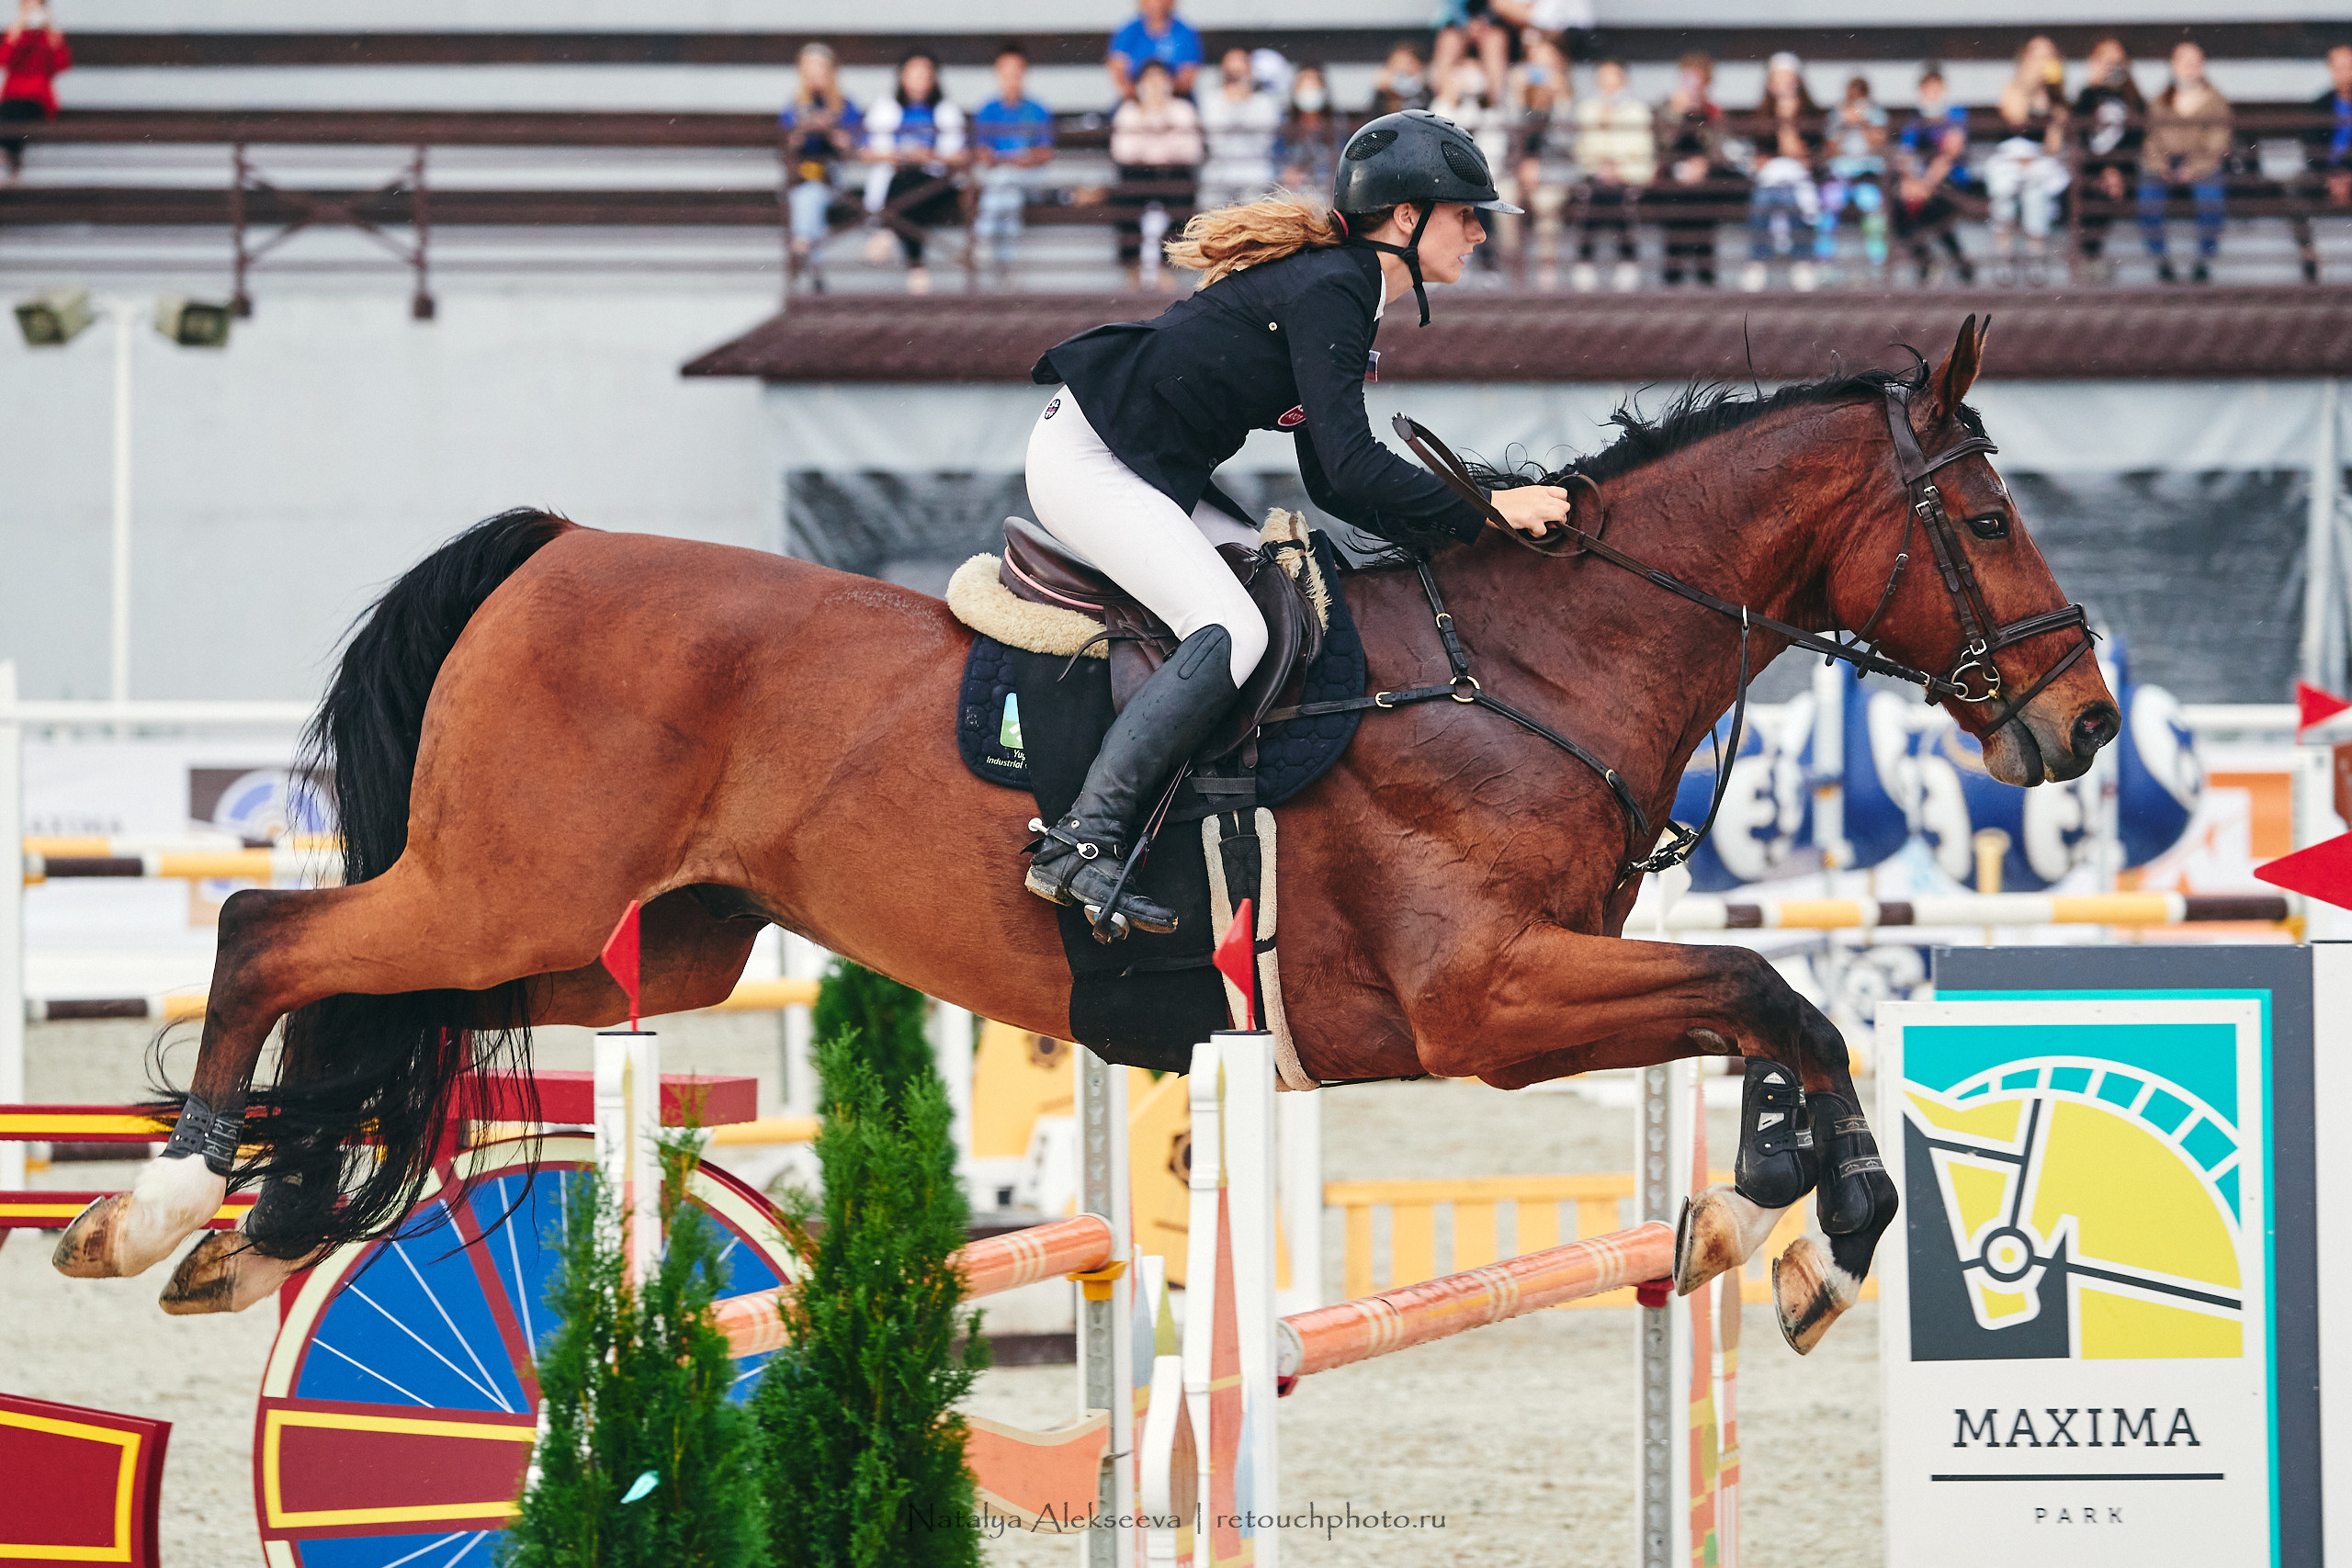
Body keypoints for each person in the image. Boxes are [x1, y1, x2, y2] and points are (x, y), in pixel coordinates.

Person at [1020, 111, 1557, 935]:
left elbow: (1330, 483)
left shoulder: (1345, 287)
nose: (1480, 233)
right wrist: (1485, 511)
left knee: (1283, 598)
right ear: (1406, 219)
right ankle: (1081, 841)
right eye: (1465, 214)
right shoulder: (1335, 288)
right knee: (1232, 629)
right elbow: (1348, 467)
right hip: (1090, 459)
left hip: (1136, 460)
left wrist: (1461, 538)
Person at [862, 51, 966, 295]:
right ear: (902, 77)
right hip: (900, 180)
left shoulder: (945, 109)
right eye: (914, 73)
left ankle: (889, 231)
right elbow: (867, 152)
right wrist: (898, 155)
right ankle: (917, 266)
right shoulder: (886, 106)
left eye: (925, 74)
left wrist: (928, 156)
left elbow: (960, 154)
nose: (920, 79)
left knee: (912, 183)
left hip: (936, 183)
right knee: (908, 182)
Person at [2138, 39, 2231, 284]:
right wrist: (2161, 166)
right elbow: (2152, 139)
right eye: (2184, 61)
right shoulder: (2160, 101)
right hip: (2164, 165)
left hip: (2202, 163)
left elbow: (2218, 139)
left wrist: (2194, 167)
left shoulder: (2215, 100)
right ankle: (2162, 261)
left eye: (2195, 62)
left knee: (2211, 203)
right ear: (2173, 65)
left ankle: (2204, 260)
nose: (2190, 67)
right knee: (2148, 203)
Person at [1984, 35, 2072, 281]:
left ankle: (2036, 261)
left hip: (2038, 160)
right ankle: (2003, 259)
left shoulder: (2057, 98)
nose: (2042, 61)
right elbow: (2016, 117)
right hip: (2009, 157)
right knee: (2003, 195)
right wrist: (2030, 81)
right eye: (2037, 54)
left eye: (2048, 55)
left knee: (2036, 195)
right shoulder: (2012, 87)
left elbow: (2053, 145)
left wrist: (2056, 113)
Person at [1109, 60, 1203, 288]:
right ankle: (1132, 268)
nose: (1155, 85)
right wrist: (1153, 125)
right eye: (1149, 80)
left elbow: (1191, 151)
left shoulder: (1183, 110)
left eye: (1160, 79)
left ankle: (1168, 266)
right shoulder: (1128, 111)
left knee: (1182, 201)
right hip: (1138, 174)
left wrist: (1150, 134)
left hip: (1173, 175)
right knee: (1124, 203)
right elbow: (1122, 152)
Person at [972, 41, 1055, 275]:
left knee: (1006, 179)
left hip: (1028, 177)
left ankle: (983, 238)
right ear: (997, 74)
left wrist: (1012, 162)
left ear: (1024, 73)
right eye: (1005, 72)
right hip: (1001, 179)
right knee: (1008, 191)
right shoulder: (987, 109)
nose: (1011, 78)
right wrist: (1011, 162)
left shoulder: (1037, 109)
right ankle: (1007, 265)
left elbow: (1044, 153)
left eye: (1016, 72)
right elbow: (982, 152)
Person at [1742, 53, 1824, 291]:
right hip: (1769, 179)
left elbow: (1805, 156)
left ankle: (1802, 261)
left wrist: (1787, 122)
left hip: (1801, 178)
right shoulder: (1761, 115)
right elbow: (1758, 155)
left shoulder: (1811, 114)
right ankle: (1757, 262)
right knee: (1764, 199)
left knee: (1790, 198)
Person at [778, 43, 862, 270]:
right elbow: (787, 144)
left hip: (834, 176)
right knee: (808, 195)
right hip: (801, 176)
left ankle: (806, 251)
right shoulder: (794, 106)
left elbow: (853, 146)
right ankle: (813, 263)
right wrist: (803, 130)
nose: (816, 75)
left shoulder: (845, 106)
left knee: (810, 196)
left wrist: (831, 130)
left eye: (821, 68)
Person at [1570, 57, 1651, 290]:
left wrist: (1618, 167)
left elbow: (1641, 149)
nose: (1608, 85)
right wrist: (1602, 164)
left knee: (1613, 195)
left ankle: (1593, 260)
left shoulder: (1637, 111)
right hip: (1595, 174)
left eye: (1613, 79)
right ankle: (1620, 260)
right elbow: (1583, 149)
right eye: (1603, 79)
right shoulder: (1587, 110)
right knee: (1599, 194)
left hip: (1627, 175)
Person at [1892, 64, 1974, 286]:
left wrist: (1925, 184)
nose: (1931, 96)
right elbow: (1905, 155)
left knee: (1935, 214)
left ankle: (1955, 262)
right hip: (1922, 184)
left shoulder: (1955, 114)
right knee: (1900, 211)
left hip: (1950, 183)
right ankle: (1928, 261)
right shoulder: (1916, 119)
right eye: (1927, 90)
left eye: (1935, 89)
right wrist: (1910, 181)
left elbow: (1949, 154)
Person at [2071, 37, 2145, 278]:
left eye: (2117, 61)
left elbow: (2135, 138)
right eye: (2105, 60)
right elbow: (2080, 135)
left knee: (2105, 190)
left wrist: (2115, 168)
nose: (2112, 66)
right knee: (2089, 190)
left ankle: (2093, 260)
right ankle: (2091, 258)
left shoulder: (2134, 99)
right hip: (2093, 170)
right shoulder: (2086, 96)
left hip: (2124, 170)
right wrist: (2093, 86)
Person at [1195, 46, 1282, 211]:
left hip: (1254, 170)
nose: (1236, 79)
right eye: (1232, 75)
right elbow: (1216, 141)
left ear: (1250, 73)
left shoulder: (1265, 102)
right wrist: (1232, 102)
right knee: (1210, 202)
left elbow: (1263, 142)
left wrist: (1244, 100)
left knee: (1257, 209)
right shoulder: (1211, 100)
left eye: (1240, 73)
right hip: (1219, 171)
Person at [1817, 75, 1888, 272]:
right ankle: (1825, 263)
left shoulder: (1876, 114)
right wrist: (1843, 125)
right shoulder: (1836, 115)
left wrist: (1863, 122)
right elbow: (1829, 151)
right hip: (1840, 172)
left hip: (1867, 172)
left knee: (1872, 205)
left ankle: (1878, 262)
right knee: (1829, 205)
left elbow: (1878, 144)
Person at [2295, 44, 2352, 283]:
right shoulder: (2318, 105)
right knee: (2294, 189)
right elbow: (2310, 146)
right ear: (2330, 70)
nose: (2344, 72)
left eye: (2349, 66)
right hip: (2324, 174)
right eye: (2338, 67)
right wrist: (2330, 176)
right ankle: (2309, 254)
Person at [1, 0, 70, 184]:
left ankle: (10, 156)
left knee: (16, 114)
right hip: (12, 98)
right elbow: (4, 60)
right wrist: (16, 31)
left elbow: (61, 65)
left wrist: (53, 35)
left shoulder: (49, 37)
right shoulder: (15, 35)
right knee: (9, 112)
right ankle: (12, 158)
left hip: (38, 99)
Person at [1107, 0, 1202, 102]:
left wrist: (1159, 91)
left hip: (1176, 99)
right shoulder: (1128, 31)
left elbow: (1187, 77)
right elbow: (1118, 71)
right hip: (1135, 100)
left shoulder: (1184, 32)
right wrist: (1143, 94)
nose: (1155, 4)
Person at [1275, 64, 1341, 191]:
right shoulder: (1284, 126)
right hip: (1292, 193)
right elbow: (1275, 161)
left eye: (1314, 85)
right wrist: (1286, 173)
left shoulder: (1337, 125)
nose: (1309, 90)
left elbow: (1341, 164)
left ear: (1323, 89)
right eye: (1304, 85)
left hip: (1326, 193)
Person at [1370, 41, 1431, 116]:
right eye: (1397, 63)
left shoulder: (1427, 93)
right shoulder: (1382, 96)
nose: (1403, 68)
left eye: (1409, 63)